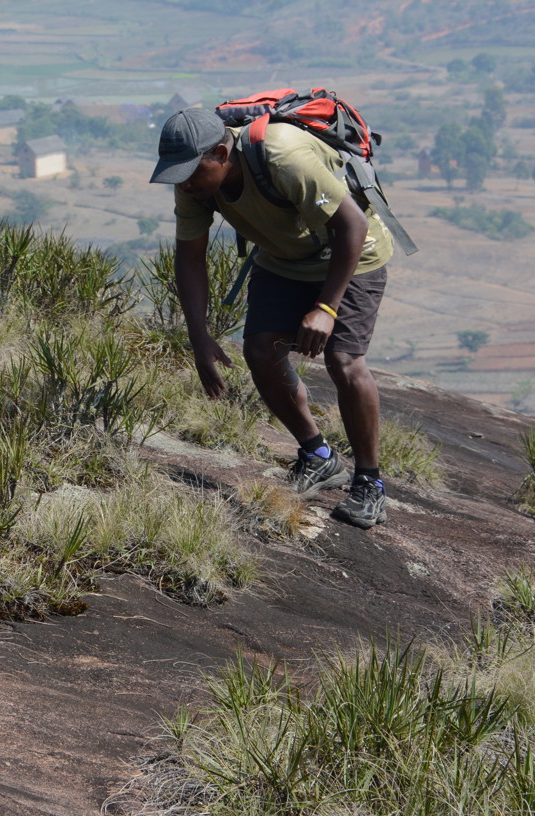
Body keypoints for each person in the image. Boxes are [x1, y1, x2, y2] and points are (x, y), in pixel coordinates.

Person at [150, 107, 394, 529]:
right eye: (177, 174)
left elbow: (352, 225)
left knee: (343, 360)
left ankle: (369, 483)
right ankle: (318, 454)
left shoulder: (281, 156)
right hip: (284, 258)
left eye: (190, 172)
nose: (184, 183)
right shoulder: (192, 184)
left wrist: (326, 308)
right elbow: (190, 258)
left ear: (221, 153)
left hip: (353, 254)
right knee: (261, 350)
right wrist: (199, 338)